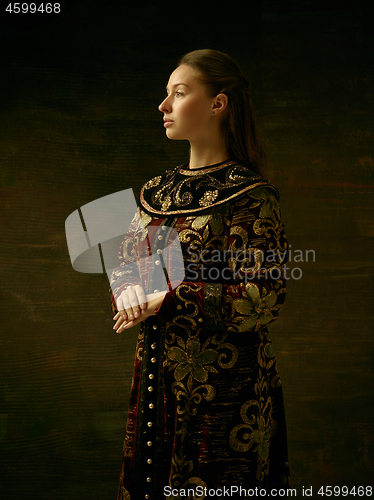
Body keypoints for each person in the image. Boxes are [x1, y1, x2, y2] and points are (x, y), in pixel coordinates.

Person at [110, 49, 290, 500]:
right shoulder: (158, 190)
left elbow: (263, 294)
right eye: (166, 95)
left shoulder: (251, 196)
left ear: (218, 104)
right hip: (155, 377)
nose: (163, 106)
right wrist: (128, 290)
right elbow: (126, 265)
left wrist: (168, 299)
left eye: (179, 93)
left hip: (225, 393)